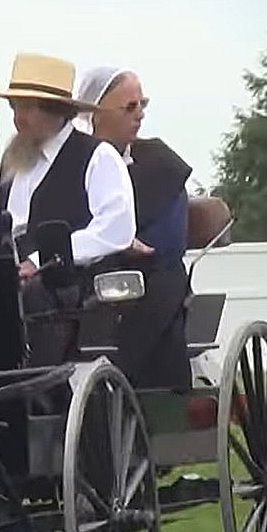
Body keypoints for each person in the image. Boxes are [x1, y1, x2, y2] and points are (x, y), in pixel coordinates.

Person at [0, 52, 137, 365]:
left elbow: (115, 230)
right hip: (8, 272)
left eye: (27, 108)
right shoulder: (18, 158)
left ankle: (37, 389)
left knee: (29, 294)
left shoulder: (98, 157)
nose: (17, 119)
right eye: (15, 107)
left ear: (57, 111)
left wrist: (44, 260)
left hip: (69, 284)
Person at [74, 66, 193, 390]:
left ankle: (139, 384)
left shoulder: (160, 163)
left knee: (159, 281)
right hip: (77, 278)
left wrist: (117, 244)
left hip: (148, 277)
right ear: (95, 114)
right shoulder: (70, 165)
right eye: (129, 107)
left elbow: (166, 246)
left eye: (143, 104)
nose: (139, 115)